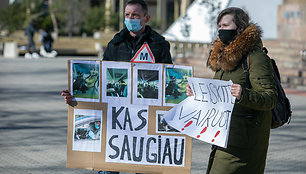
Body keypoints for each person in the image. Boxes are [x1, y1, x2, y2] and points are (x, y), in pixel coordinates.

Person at [62, 0, 173, 173]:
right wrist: (76, 96)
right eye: (127, 15)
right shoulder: (115, 44)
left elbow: (167, 81)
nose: (130, 18)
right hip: (116, 120)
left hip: (145, 119)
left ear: (146, 18)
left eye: (135, 15)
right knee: (107, 169)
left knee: (146, 168)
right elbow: (100, 81)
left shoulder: (159, 45)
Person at [186, 7, 278, 174]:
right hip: (223, 137)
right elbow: (219, 96)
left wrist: (244, 94)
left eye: (225, 26)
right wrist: (198, 94)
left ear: (240, 28)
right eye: (219, 26)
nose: (221, 30)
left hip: (245, 141)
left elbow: (270, 97)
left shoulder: (254, 57)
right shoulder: (224, 57)